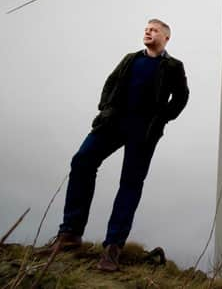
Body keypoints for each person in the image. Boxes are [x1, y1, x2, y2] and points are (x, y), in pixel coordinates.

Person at [39, 18, 189, 271]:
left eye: (153, 30)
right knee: (82, 160)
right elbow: (110, 82)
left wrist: (161, 118)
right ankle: (70, 234)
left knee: (130, 183)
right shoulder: (130, 59)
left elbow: (182, 97)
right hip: (113, 124)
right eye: (146, 29)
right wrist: (105, 109)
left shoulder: (173, 66)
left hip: (144, 132)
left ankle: (113, 247)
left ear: (166, 37)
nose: (148, 32)